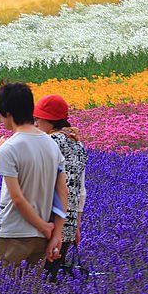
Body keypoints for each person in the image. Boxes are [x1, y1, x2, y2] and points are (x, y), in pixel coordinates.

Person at [0, 82, 67, 270]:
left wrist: (44, 226)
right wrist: (56, 233)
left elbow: (17, 198)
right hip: (41, 238)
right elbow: (63, 191)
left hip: (13, 232)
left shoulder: (9, 148)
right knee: (32, 293)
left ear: (7, 112)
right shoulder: (51, 144)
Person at [33, 95, 88, 281]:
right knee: (51, 277)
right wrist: (76, 224)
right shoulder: (78, 145)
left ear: (49, 120)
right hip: (68, 223)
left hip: (46, 221)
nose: (35, 123)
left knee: (34, 280)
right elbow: (80, 191)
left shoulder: (48, 142)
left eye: (38, 119)